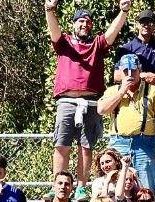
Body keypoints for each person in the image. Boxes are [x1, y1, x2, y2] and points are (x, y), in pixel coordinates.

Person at [47, 0, 130, 183]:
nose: (84, 25)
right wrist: (50, 9)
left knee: (85, 146)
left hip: (91, 102)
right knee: (61, 145)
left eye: (88, 22)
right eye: (81, 22)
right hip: (66, 102)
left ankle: (81, 186)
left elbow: (111, 34)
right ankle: (58, 184)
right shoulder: (64, 43)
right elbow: (54, 31)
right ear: (74, 24)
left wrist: (123, 12)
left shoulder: (97, 44)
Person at [99, 53, 155, 191]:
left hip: (145, 144)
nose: (130, 74)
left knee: (146, 186)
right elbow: (101, 109)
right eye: (126, 71)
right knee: (118, 185)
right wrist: (121, 92)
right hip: (119, 144)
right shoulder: (113, 91)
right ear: (120, 72)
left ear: (140, 70)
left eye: (134, 70)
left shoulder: (152, 91)